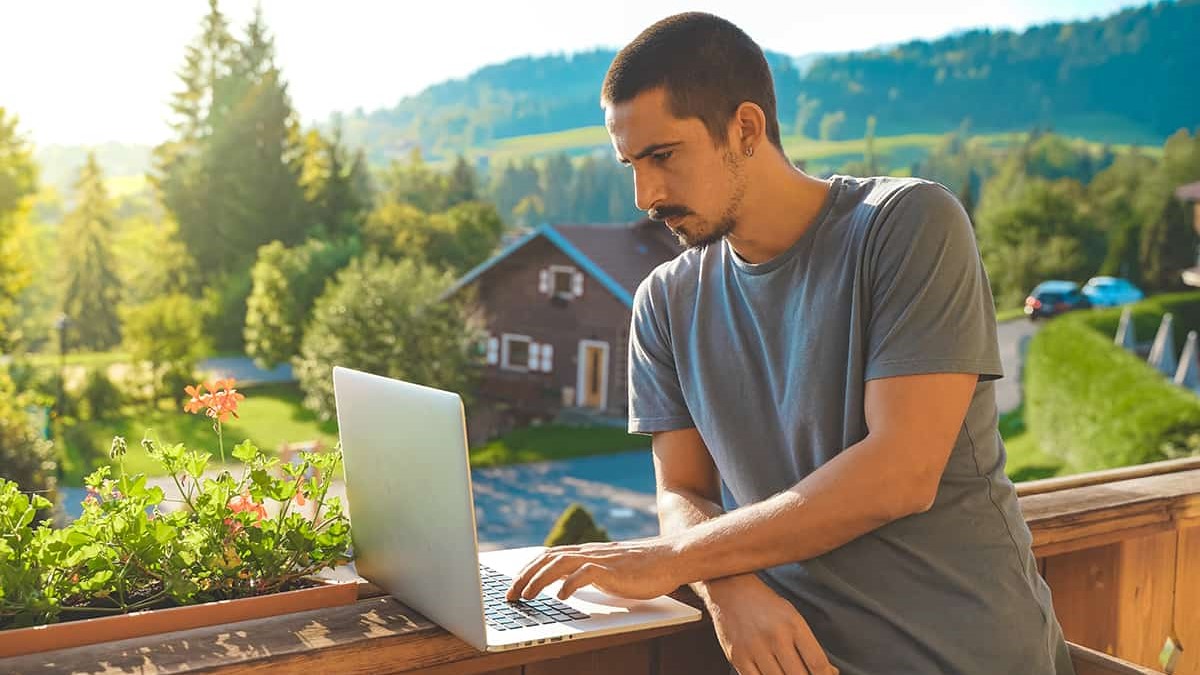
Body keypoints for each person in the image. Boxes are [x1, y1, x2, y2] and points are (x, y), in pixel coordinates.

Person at [506, 12, 1074, 675]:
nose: (645, 194)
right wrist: (725, 587)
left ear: (745, 129)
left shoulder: (907, 225)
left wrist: (673, 561)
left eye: (662, 156)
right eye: (631, 164)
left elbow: (902, 472)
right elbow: (682, 491)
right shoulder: (662, 302)